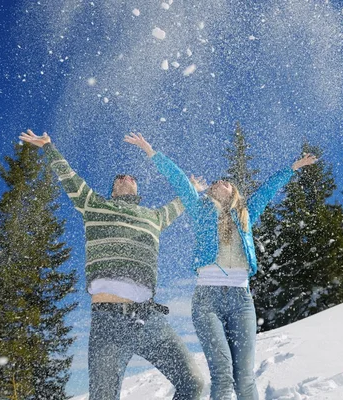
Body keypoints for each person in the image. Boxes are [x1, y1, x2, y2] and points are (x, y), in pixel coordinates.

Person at [124, 132, 316, 400]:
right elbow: (179, 180)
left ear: (234, 192)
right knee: (223, 375)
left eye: (226, 182)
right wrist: (151, 151)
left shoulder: (245, 214)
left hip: (241, 299)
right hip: (208, 300)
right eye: (217, 182)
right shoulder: (201, 210)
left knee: (245, 378)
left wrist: (293, 168)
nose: (221, 183)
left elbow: (267, 190)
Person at [18, 130, 204, 400]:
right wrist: (49, 148)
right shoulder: (94, 207)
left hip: (148, 318)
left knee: (193, 382)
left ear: (138, 189)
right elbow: (71, 181)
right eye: (120, 177)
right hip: (108, 322)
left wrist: (193, 188)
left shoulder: (154, 217)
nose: (126, 178)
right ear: (113, 188)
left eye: (131, 177)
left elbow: (180, 204)